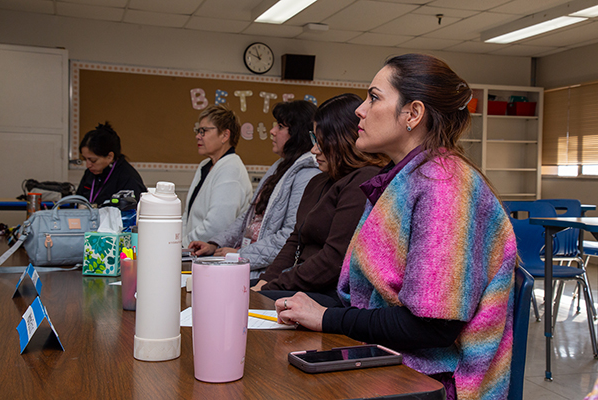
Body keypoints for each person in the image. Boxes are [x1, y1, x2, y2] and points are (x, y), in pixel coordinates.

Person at [274, 54, 517, 400]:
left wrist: (327, 317)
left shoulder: (443, 184)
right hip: (394, 359)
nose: (360, 110)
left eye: (374, 97)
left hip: (436, 381)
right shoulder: (410, 176)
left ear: (413, 114)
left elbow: (433, 327)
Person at [253, 93, 388, 306]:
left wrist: (273, 287)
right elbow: (294, 241)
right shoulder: (318, 181)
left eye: (321, 141)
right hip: (297, 285)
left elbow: (334, 259)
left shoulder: (363, 179)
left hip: (328, 296)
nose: (314, 149)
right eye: (314, 140)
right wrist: (265, 281)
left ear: (343, 141)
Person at [188, 100, 320, 278]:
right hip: (247, 261)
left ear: (297, 132)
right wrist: (215, 244)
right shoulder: (279, 166)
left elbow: (289, 237)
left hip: (265, 272)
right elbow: (248, 218)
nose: (272, 131)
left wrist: (240, 256)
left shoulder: (307, 174)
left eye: (280, 126)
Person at [182, 105, 252, 247]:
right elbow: (188, 216)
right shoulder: (205, 165)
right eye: (198, 131)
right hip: (192, 251)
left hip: (212, 253)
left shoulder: (231, 168)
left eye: (204, 131)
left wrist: (183, 245)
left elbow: (217, 225)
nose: (198, 136)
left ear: (225, 135)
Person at [76, 121, 147, 205]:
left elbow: (131, 213)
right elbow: (77, 200)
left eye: (93, 160)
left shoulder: (128, 178)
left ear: (110, 156)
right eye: (85, 159)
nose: (88, 165)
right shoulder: (91, 172)